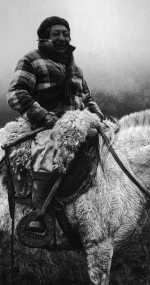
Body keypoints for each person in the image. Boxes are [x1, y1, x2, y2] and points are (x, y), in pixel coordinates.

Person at [7, 16, 104, 234]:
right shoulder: (31, 60)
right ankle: (39, 216)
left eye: (65, 34)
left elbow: (87, 98)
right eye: (56, 34)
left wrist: (100, 118)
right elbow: (16, 93)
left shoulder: (75, 68)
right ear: (43, 38)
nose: (62, 38)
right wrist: (45, 117)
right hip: (44, 126)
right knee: (47, 150)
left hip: (78, 126)